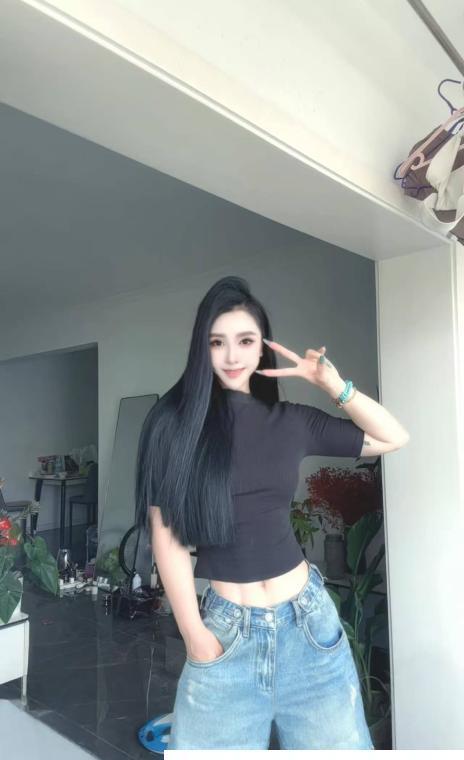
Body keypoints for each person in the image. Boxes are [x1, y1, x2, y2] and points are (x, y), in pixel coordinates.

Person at [135, 275, 409, 750]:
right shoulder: (172, 426)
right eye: (217, 342)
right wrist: (193, 633)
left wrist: (332, 384)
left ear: (262, 347)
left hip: (309, 628)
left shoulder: (292, 422)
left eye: (245, 341)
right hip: (225, 637)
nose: (232, 355)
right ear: (202, 349)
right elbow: (167, 535)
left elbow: (393, 437)